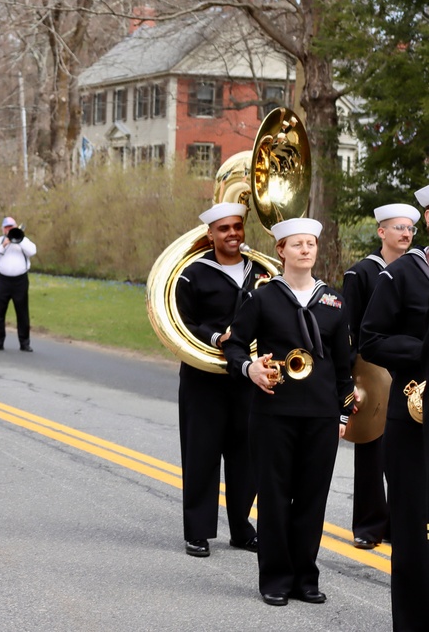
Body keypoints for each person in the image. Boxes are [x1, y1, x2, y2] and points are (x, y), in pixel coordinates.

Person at [223, 218, 353, 607]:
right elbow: (234, 347)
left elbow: (345, 366)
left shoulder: (333, 300)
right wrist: (250, 368)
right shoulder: (262, 298)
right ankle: (275, 579)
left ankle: (305, 578)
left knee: (312, 497)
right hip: (273, 413)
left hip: (321, 415)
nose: (306, 250)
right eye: (297, 244)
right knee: (276, 496)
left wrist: (343, 415)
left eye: (311, 243)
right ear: (281, 251)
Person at [174, 203, 265, 558]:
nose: (232, 234)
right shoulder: (192, 274)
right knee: (201, 453)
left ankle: (241, 528)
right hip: (203, 379)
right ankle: (197, 531)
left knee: (247, 455)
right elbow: (181, 323)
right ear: (210, 234)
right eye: (224, 229)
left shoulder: (261, 271)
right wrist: (216, 338)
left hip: (248, 376)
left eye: (237, 227)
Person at [359, 186, 429, 632]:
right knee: (412, 527)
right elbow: (371, 338)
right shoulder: (402, 274)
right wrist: (423, 350)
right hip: (416, 414)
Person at [342, 203, 418, 551]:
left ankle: (398, 523)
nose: (406, 234)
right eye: (399, 227)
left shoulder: (418, 271)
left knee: (405, 456)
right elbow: (352, 331)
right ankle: (369, 525)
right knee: (371, 451)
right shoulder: (362, 274)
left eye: (410, 229)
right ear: (381, 232)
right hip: (371, 373)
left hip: (408, 373)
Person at [0, 217, 37, 352]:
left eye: (11, 227)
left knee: (22, 313)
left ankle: (24, 343)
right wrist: (4, 244)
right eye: (6, 227)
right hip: (2, 280)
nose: (9, 229)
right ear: (3, 229)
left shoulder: (23, 240)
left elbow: (32, 251)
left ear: (16, 227)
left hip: (20, 281)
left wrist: (20, 240)